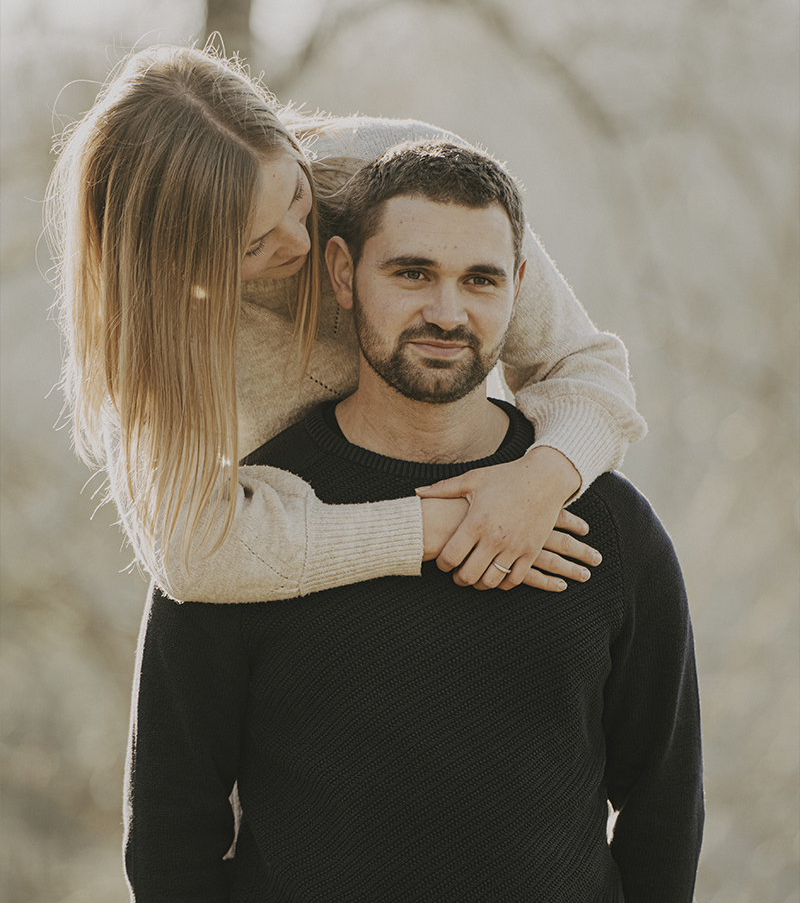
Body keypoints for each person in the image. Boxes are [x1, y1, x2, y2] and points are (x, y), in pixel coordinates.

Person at [125, 141, 703, 903]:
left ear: (518, 286)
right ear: (343, 273)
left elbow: (665, 808)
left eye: (479, 281)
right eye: (413, 272)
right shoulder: (245, 524)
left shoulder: (610, 528)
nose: (447, 310)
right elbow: (172, 828)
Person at [47, 43, 646, 603]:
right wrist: (430, 526)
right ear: (173, 259)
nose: (295, 240)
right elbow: (188, 549)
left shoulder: (402, 183)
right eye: (253, 244)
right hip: (321, 594)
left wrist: (541, 480)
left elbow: (582, 365)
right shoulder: (154, 332)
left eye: (294, 197)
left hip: (491, 545)